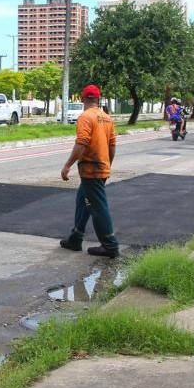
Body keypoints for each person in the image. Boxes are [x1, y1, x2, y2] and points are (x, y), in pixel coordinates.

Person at [59, 84, 120, 258]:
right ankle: (76, 238)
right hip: (101, 166)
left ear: (82, 98)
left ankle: (110, 245)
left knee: (98, 207)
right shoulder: (107, 118)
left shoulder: (85, 117)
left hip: (91, 168)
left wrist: (67, 165)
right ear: (98, 99)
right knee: (82, 200)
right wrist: (107, 164)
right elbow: (112, 145)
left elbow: (82, 142)